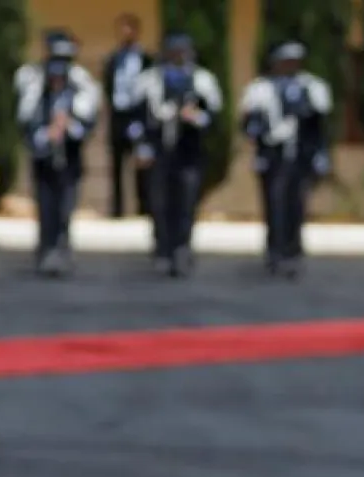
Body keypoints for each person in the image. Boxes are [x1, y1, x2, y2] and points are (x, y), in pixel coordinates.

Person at [240, 41, 332, 279]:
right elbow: (249, 123)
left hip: (301, 155)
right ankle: (275, 252)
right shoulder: (261, 88)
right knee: (274, 204)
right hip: (273, 155)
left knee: (297, 205)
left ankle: (293, 252)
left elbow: (319, 126)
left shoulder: (312, 87)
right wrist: (261, 137)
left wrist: (320, 154)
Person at [137, 33, 223, 278]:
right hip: (160, 151)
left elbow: (213, 117)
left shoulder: (202, 80)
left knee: (186, 203)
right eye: (173, 51)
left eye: (182, 51)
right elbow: (137, 117)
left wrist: (195, 118)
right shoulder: (150, 80)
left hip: (189, 153)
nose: (178, 56)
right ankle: (162, 250)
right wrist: (142, 145)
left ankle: (182, 249)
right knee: (159, 203)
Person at [19, 53, 97, 277]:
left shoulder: (78, 97)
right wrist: (48, 133)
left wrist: (69, 126)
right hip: (44, 163)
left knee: (65, 209)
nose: (56, 82)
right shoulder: (37, 98)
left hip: (69, 164)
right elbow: (27, 127)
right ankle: (46, 250)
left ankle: (62, 250)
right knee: (46, 209)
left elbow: (86, 127)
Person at [104, 14, 153, 219]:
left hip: (138, 115)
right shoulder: (114, 58)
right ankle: (117, 209)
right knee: (116, 163)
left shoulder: (146, 59)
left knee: (141, 162)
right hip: (119, 115)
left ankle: (144, 208)